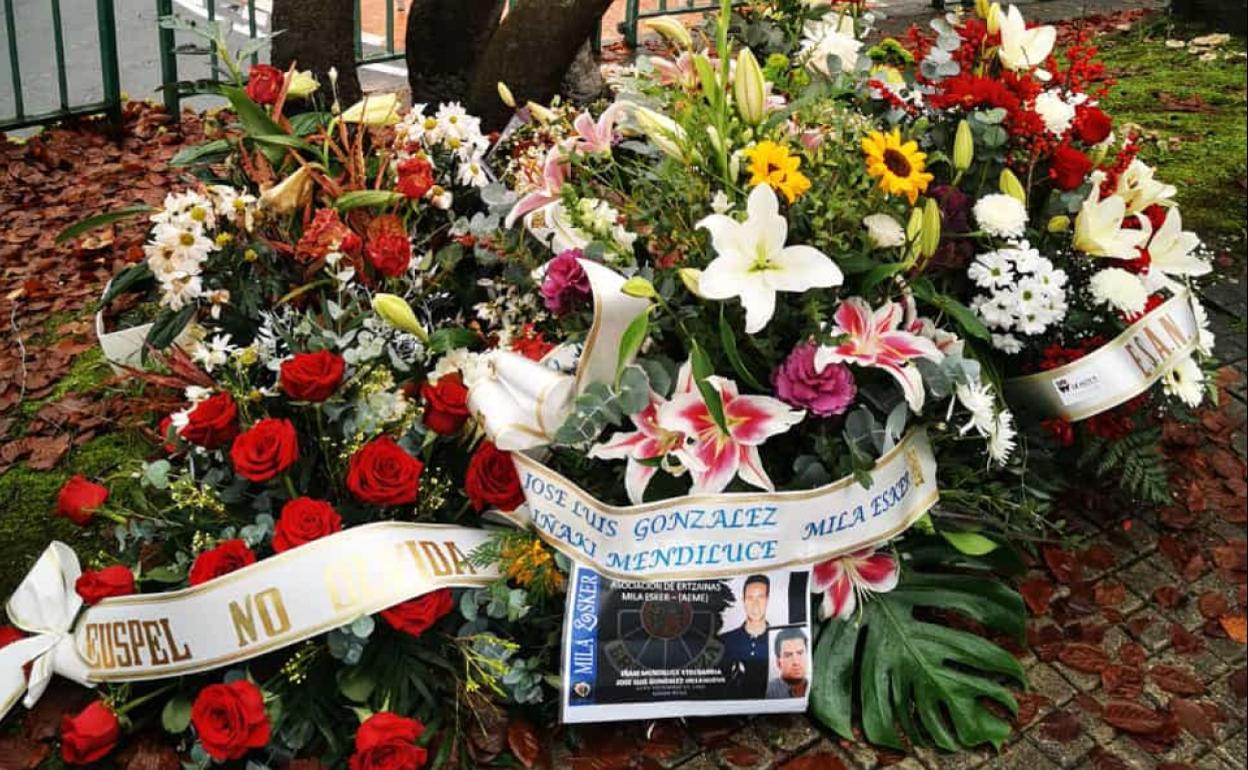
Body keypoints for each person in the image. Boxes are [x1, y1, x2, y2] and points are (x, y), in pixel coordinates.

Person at [718, 574, 771, 696]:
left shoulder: (780, 643)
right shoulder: (723, 642)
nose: (755, 604)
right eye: (750, 598)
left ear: (767, 600)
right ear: (744, 601)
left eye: (760, 597)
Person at [766, 627, 809, 699]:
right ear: (778, 662)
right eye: (788, 655)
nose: (796, 662)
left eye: (800, 653)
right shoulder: (768, 692)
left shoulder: (816, 685)